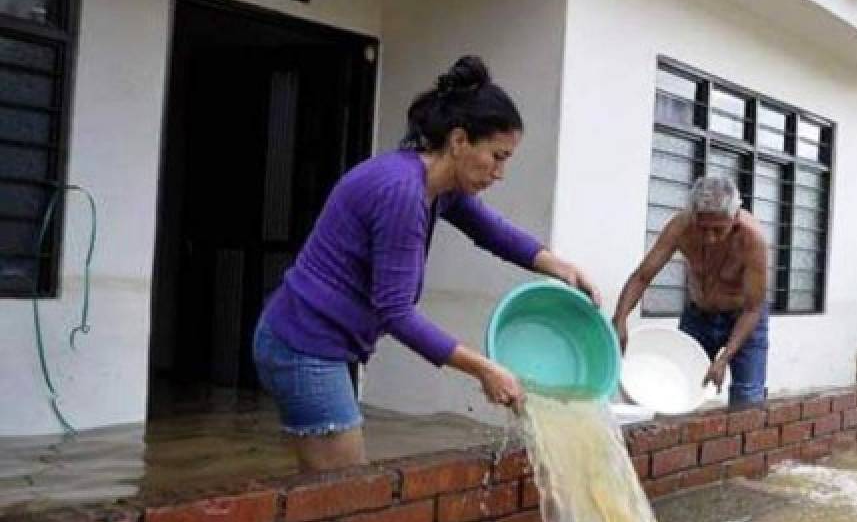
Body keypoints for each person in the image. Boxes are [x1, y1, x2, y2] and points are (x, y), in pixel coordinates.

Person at [253, 56, 599, 471]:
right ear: (459, 141)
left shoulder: (438, 185)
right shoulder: (401, 193)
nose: (501, 172)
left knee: (332, 498)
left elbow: (492, 231)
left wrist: (560, 267)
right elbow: (395, 312)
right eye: (497, 156)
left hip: (316, 341)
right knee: (344, 499)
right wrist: (484, 369)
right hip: (304, 345)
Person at [612, 176, 769, 406]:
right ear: (693, 216)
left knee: (747, 399)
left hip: (743, 319)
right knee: (681, 390)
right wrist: (620, 318)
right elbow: (643, 276)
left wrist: (724, 357)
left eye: (718, 230)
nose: (709, 238)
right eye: (702, 228)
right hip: (699, 316)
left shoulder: (752, 239)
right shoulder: (681, 227)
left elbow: (753, 308)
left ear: (734, 218)